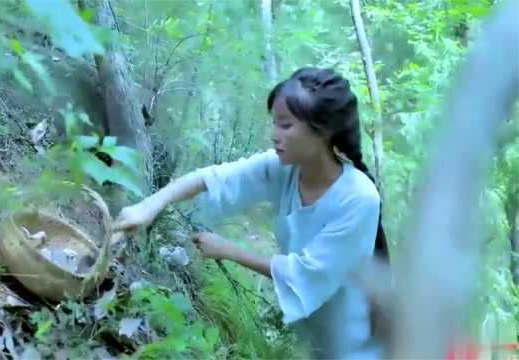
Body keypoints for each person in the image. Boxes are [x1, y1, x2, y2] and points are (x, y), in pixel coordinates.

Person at [113, 67, 388, 359]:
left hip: (353, 338)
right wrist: (147, 208)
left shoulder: (359, 198)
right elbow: (215, 177)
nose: (274, 135)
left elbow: (307, 273)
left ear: (322, 132)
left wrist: (228, 250)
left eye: (285, 125)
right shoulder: (286, 169)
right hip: (311, 331)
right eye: (274, 123)